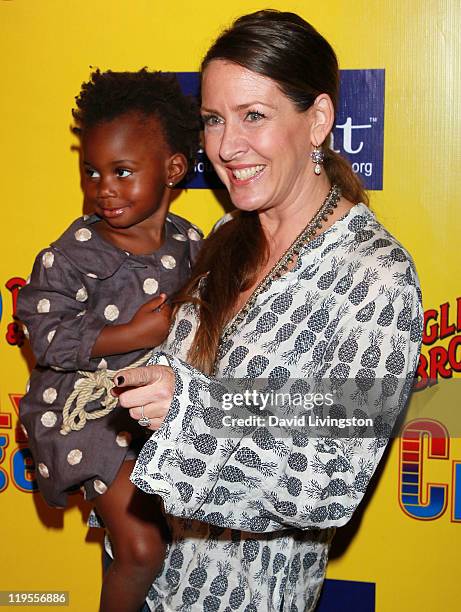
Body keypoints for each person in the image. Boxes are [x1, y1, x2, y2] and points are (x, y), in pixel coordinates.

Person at [115, 10, 423, 612]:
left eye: (254, 115)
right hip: (155, 590)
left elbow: (327, 478)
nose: (227, 147)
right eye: (213, 120)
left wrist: (186, 408)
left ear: (319, 122)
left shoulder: (373, 276)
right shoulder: (231, 232)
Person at [17, 69, 201, 612]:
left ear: (172, 170)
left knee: (167, 549)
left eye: (122, 171)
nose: (104, 189)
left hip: (161, 415)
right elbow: (46, 337)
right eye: (92, 172)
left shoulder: (191, 243)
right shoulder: (71, 255)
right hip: (88, 417)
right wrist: (132, 333)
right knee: (142, 548)